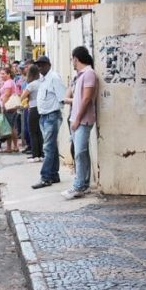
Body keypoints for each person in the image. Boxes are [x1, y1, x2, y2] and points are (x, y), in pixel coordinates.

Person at [61, 47, 97, 200]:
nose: (72, 63)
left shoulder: (89, 74)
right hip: (76, 119)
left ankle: (78, 186)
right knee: (82, 153)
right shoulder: (80, 75)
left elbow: (87, 99)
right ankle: (84, 184)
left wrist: (77, 120)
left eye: (72, 59)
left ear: (76, 58)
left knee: (80, 153)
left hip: (82, 120)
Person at [31, 56, 66, 189]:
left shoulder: (54, 78)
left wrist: (55, 112)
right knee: (52, 147)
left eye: (41, 65)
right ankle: (53, 174)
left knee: (48, 147)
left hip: (52, 116)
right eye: (38, 65)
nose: (39, 68)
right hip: (44, 116)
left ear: (48, 65)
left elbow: (62, 98)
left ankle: (45, 177)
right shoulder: (43, 80)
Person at [20, 64, 43, 162]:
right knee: (39, 132)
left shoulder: (31, 84)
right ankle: (41, 154)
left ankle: (35, 155)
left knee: (32, 132)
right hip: (42, 108)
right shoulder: (41, 82)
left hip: (33, 108)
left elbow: (22, 96)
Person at [0, 67, 19, 153]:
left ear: (8, 74)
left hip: (8, 107)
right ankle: (15, 146)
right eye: (1, 74)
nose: (1, 75)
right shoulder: (11, 82)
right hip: (12, 107)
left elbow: (6, 95)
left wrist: (3, 107)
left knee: (8, 128)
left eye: (3, 74)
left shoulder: (8, 83)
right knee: (12, 127)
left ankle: (9, 147)